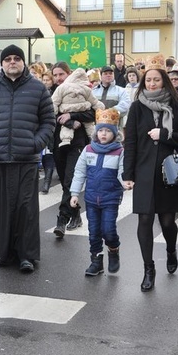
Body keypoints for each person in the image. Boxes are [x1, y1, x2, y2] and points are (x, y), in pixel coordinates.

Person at [0, 45, 55, 272]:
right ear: (2, 63)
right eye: (7, 59)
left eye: (17, 58)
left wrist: (36, 143)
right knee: (2, 208)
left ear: (24, 62)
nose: (12, 62)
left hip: (26, 158)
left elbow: (49, 121)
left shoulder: (37, 89)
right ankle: (5, 253)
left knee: (25, 209)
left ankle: (26, 255)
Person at [122, 66, 178, 292]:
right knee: (144, 221)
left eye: (156, 80)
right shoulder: (137, 107)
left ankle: (171, 249)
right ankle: (148, 269)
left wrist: (165, 135)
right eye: (148, 80)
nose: (152, 84)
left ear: (164, 82)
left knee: (167, 223)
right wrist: (128, 174)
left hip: (170, 170)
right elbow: (130, 141)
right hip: (144, 171)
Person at [69, 108, 128, 276]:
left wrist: (125, 182)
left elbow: (122, 172)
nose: (103, 134)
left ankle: (113, 249)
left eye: (108, 131)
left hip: (110, 198)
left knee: (108, 230)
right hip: (91, 198)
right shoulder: (88, 149)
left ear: (115, 134)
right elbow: (80, 172)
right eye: (101, 130)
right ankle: (96, 261)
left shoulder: (119, 152)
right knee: (94, 231)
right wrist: (74, 194)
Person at [50, 62, 97, 236]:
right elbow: (49, 114)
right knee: (65, 183)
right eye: (55, 75)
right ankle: (76, 214)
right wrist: (69, 121)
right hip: (58, 142)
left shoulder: (81, 90)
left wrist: (72, 115)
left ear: (69, 74)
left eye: (61, 74)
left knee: (70, 181)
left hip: (77, 143)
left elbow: (92, 112)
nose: (58, 78)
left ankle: (62, 220)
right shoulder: (53, 92)